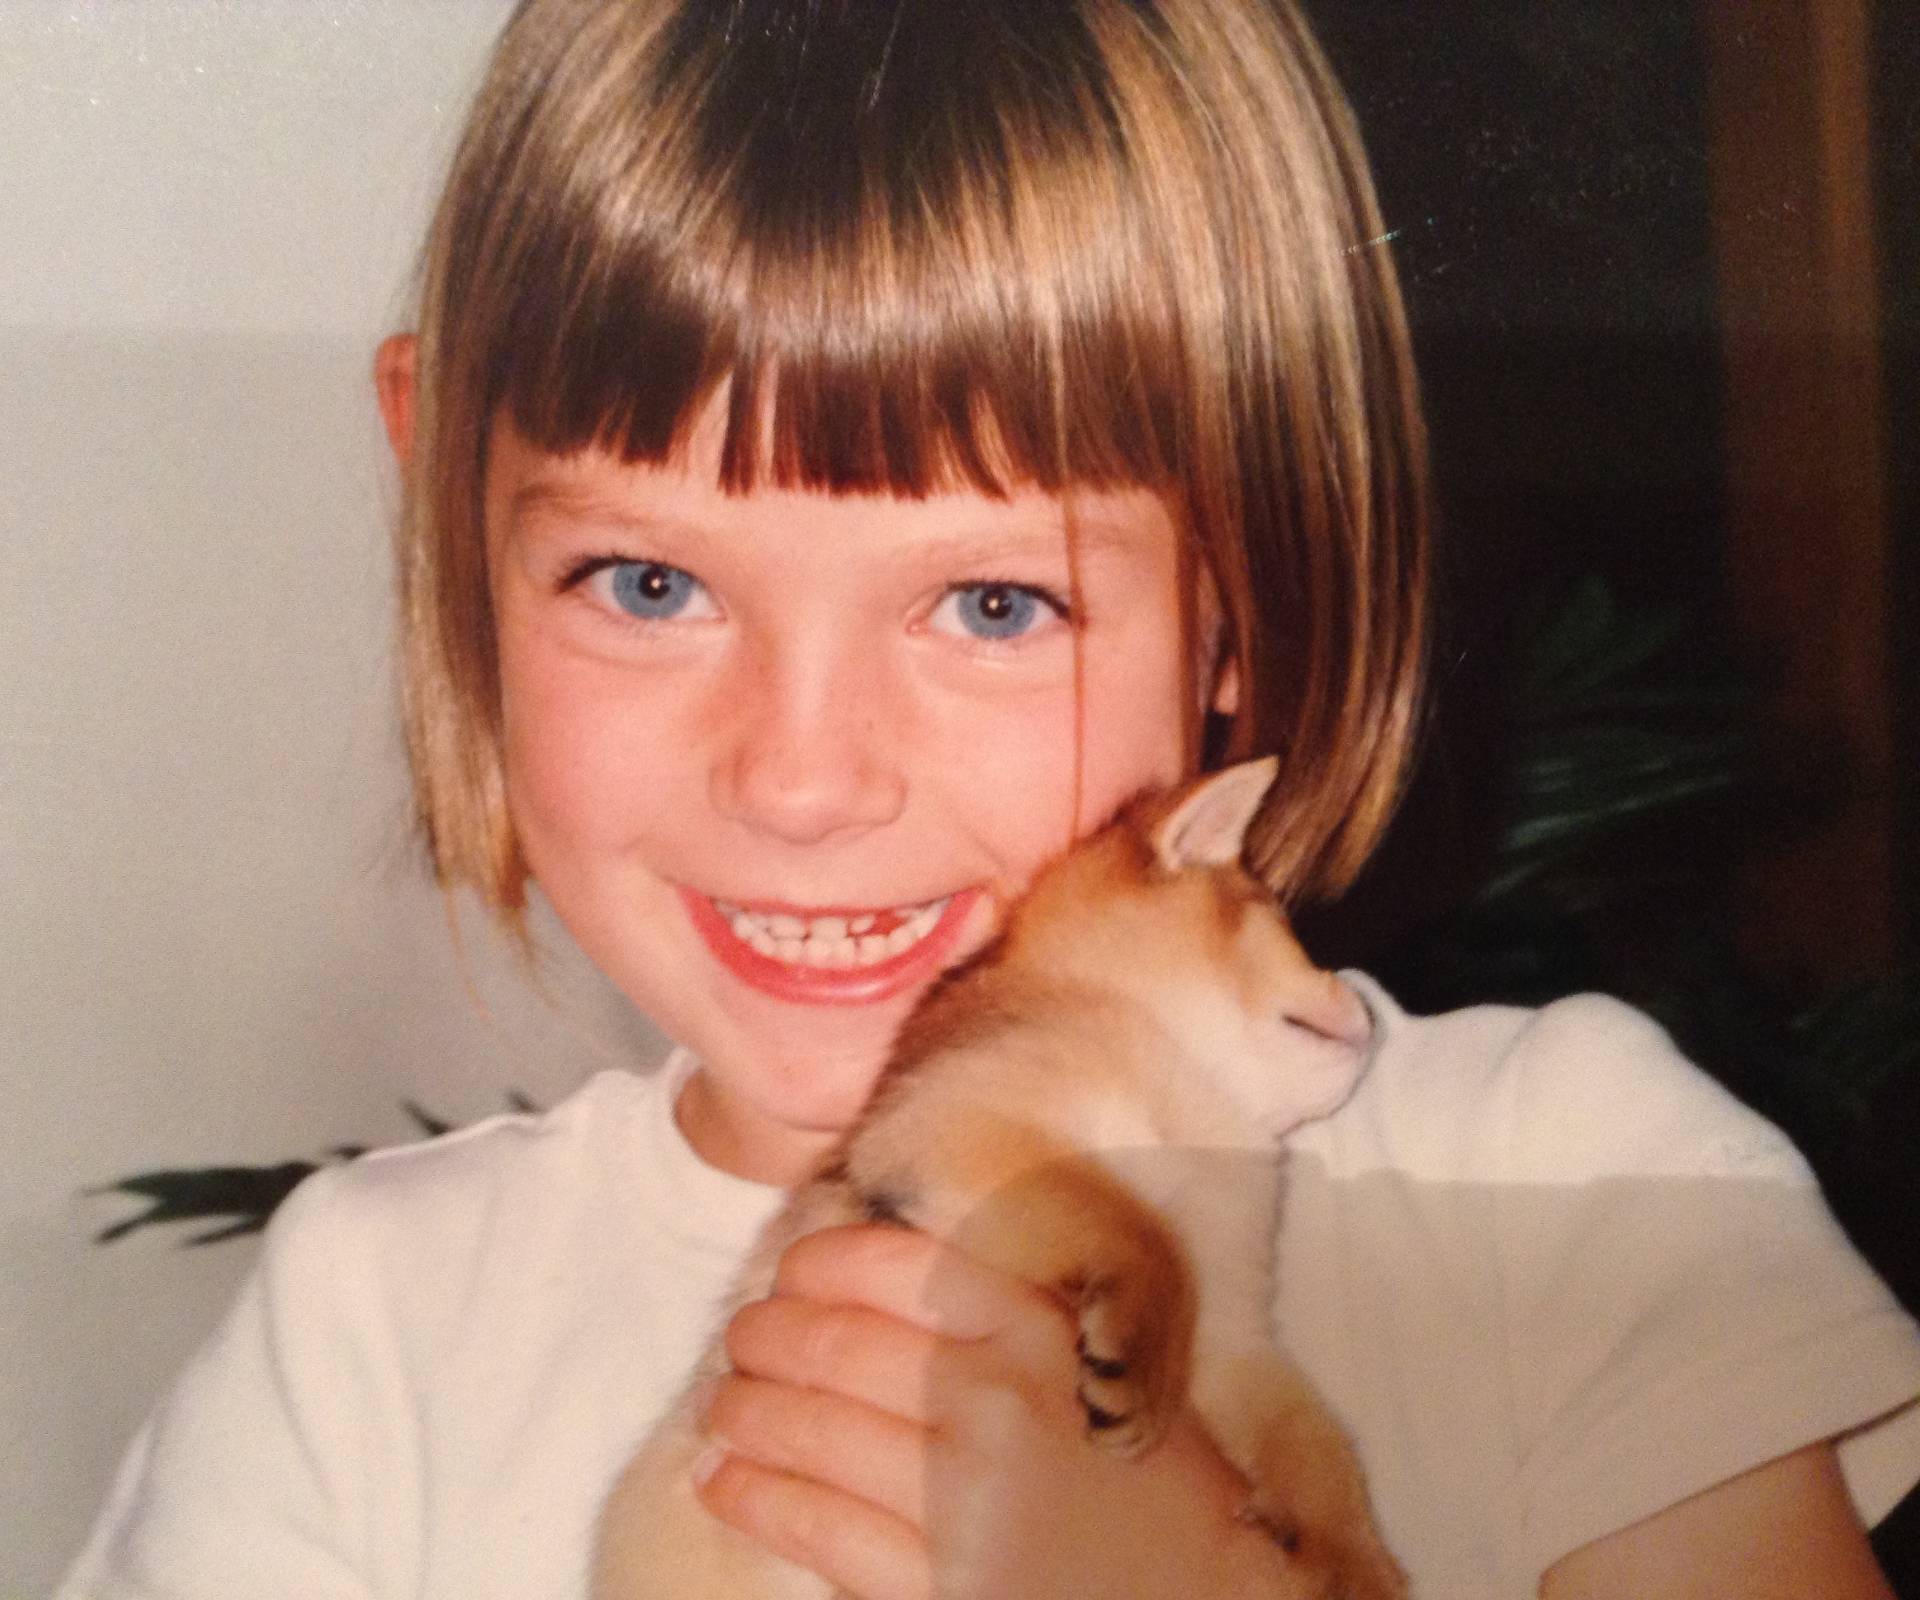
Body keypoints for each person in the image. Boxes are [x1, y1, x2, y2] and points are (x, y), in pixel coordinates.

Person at [57, 0, 1920, 1595]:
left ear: (1245, 605)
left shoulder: (1572, 1191)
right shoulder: (368, 1326)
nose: (797, 780)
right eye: (648, 583)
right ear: (452, 518)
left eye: (993, 602)